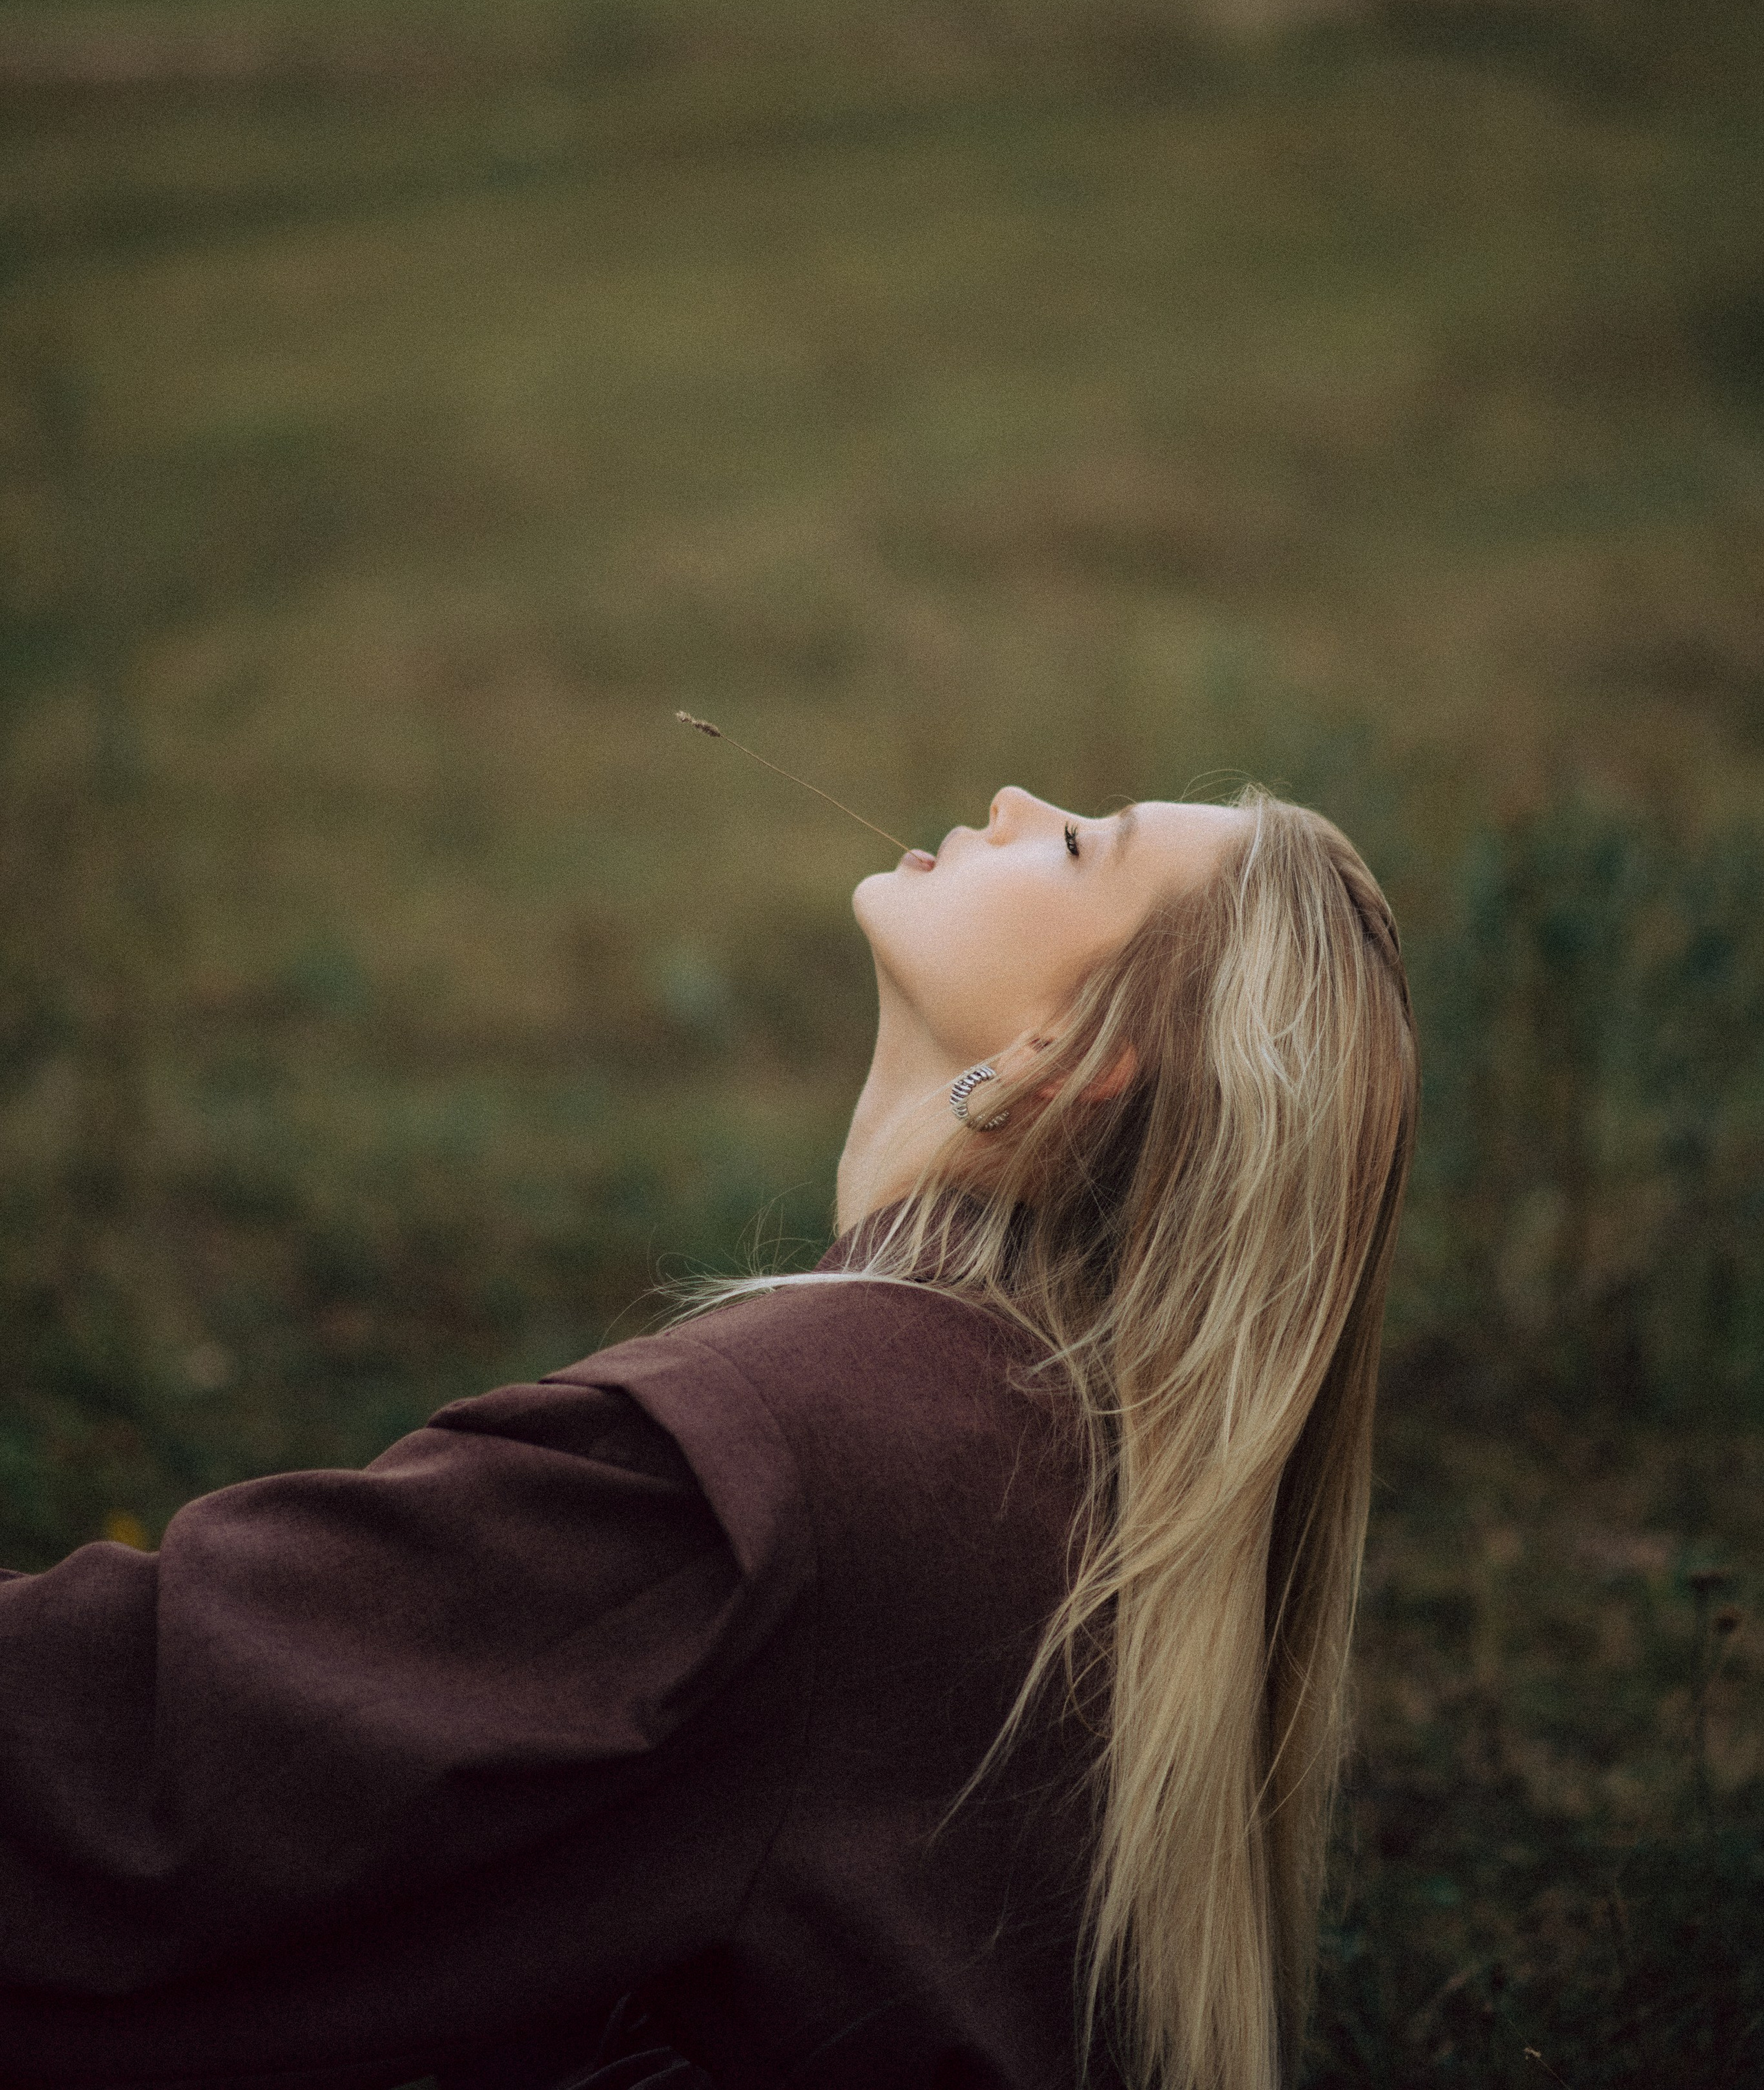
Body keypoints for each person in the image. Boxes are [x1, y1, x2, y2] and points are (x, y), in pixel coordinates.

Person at [0, 781, 1415, 2090]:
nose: (1009, 800)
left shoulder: (802, 1445)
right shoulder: (1055, 1436)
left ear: (1078, 1048)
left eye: (1072, 843)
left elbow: (139, 1737)